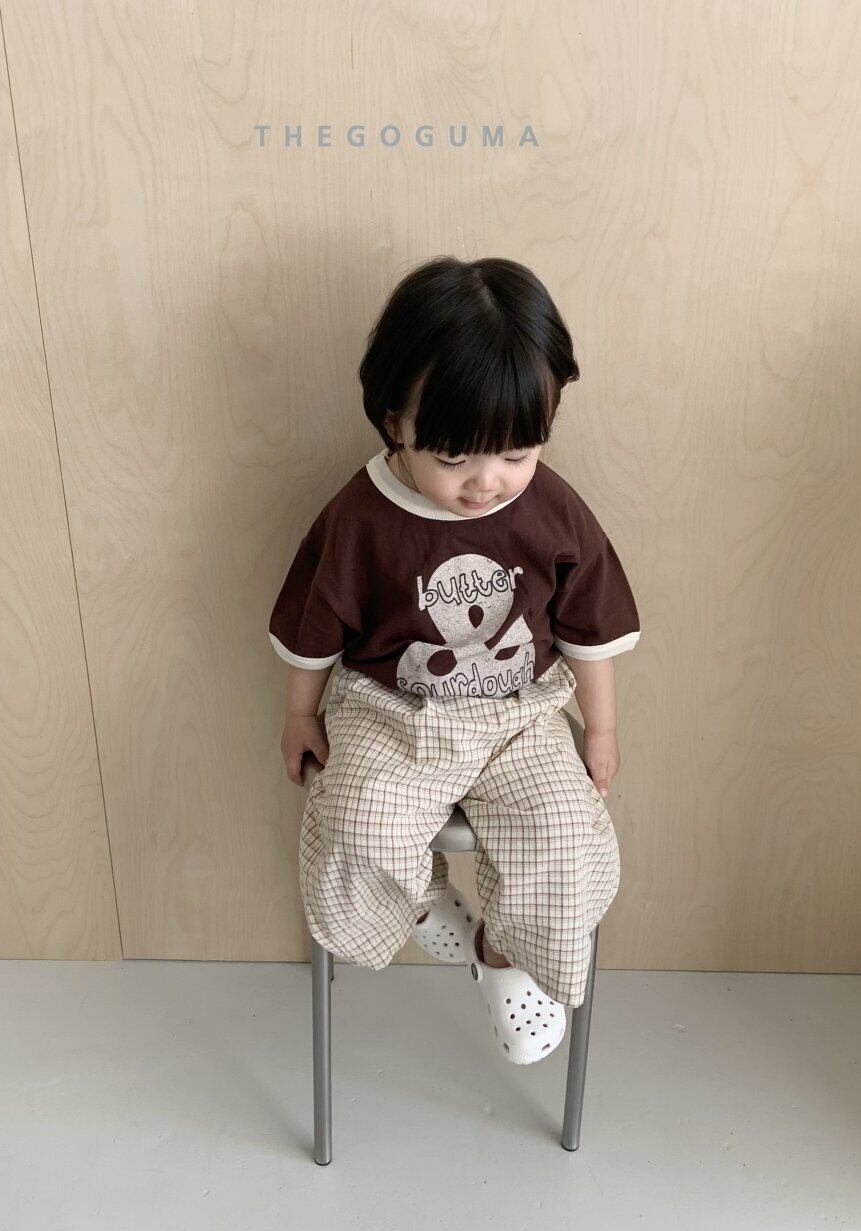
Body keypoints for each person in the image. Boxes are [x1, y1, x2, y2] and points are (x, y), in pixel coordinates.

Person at [268, 256, 641, 1065]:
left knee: (565, 835)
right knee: (354, 822)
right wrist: (300, 712)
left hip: (521, 716)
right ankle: (420, 903)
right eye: (454, 459)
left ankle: (503, 954)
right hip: (389, 712)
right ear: (393, 421)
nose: (487, 483)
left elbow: (590, 626)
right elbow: (315, 628)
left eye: (516, 453)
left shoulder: (550, 508)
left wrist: (602, 728)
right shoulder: (360, 516)